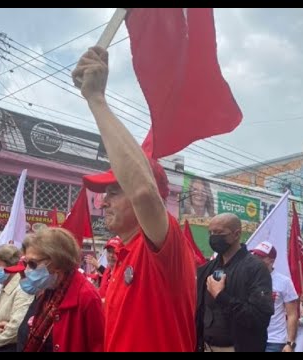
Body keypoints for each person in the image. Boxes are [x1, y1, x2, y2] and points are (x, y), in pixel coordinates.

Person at [72, 46, 196, 352]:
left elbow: (142, 191)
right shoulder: (120, 259)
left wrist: (97, 100)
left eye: (114, 191)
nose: (103, 202)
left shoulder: (163, 247)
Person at [17, 227, 105, 352]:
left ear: (56, 261)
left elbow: (98, 347)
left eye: (32, 264)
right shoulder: (49, 288)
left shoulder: (87, 297)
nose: (27, 270)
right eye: (26, 263)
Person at [195, 213, 274, 352]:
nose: (213, 237)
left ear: (236, 234)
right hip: (206, 347)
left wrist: (221, 297)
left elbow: (259, 318)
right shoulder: (206, 269)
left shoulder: (256, 268)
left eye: (219, 232)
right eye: (211, 232)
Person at [251, 241, 299, 352]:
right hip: (251, 337)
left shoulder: (284, 282)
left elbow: (292, 314)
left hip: (274, 341)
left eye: (260, 257)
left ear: (271, 261)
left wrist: (290, 343)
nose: (256, 259)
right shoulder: (247, 279)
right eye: (255, 255)